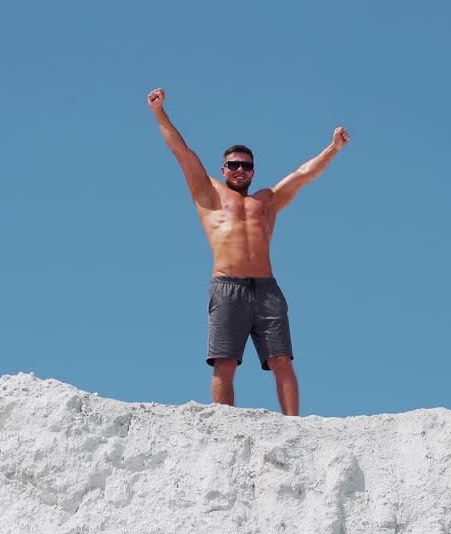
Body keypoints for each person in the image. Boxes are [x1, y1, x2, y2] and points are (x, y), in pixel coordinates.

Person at [146, 87, 349, 415]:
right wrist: (159, 112)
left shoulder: (266, 200)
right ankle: (225, 425)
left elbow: (303, 176)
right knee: (225, 362)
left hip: (267, 289)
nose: (240, 170)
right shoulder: (209, 193)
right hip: (228, 285)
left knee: (282, 360)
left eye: (246, 166)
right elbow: (181, 150)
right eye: (233, 165)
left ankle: (294, 426)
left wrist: (333, 148)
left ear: (253, 171)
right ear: (223, 169)